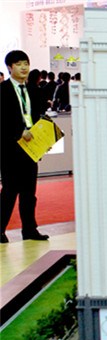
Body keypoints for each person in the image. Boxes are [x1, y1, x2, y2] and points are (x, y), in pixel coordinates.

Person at [0, 50, 49, 243]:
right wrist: (19, 132)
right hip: (10, 148)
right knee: (10, 190)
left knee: (30, 191)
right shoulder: (2, 91)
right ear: (10, 67)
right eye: (19, 64)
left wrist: (44, 140)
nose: (24, 67)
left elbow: (37, 117)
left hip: (32, 148)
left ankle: (29, 229)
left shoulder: (34, 90)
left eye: (26, 63)